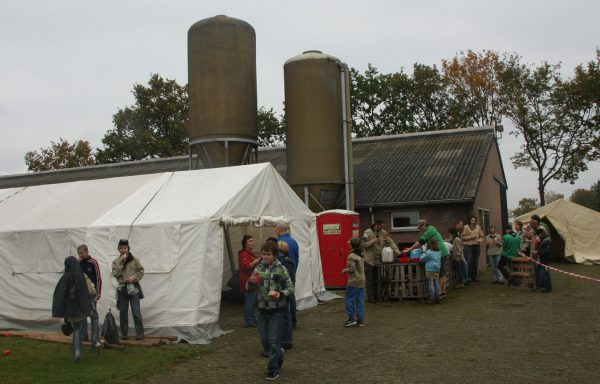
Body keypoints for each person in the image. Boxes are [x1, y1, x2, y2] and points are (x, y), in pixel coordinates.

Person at [250, 241, 294, 381]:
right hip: (262, 311)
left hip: (277, 311)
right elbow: (249, 285)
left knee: (274, 340)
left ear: (275, 255)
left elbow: (290, 288)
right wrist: (251, 282)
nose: (265, 256)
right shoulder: (258, 268)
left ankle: (272, 370)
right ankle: (279, 353)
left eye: (268, 254)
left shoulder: (281, 269)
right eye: (263, 254)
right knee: (265, 342)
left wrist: (281, 293)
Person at [52, 256, 93, 363]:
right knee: (78, 329)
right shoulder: (81, 277)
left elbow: (59, 295)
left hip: (69, 310)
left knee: (76, 329)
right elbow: (88, 292)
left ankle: (77, 353)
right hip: (79, 309)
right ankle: (77, 353)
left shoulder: (64, 278)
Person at [403, 220, 449, 297]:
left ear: (424, 225)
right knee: (442, 273)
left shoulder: (430, 231)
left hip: (440, 252)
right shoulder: (432, 229)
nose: (420, 229)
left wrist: (409, 249)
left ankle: (440, 293)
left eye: (420, 227)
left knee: (441, 274)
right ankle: (443, 292)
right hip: (442, 252)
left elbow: (420, 241)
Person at [111, 239, 145, 340]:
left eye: (125, 248)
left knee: (136, 311)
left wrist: (133, 278)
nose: (123, 250)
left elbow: (141, 271)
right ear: (118, 249)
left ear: (128, 248)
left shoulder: (135, 259)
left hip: (133, 288)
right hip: (122, 289)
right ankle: (124, 333)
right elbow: (115, 274)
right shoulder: (115, 262)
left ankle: (140, 333)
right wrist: (121, 263)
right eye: (121, 248)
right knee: (123, 311)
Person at [362, 219, 400, 302]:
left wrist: (396, 251)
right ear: (376, 224)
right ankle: (370, 298)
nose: (382, 228)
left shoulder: (383, 232)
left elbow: (390, 241)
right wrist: (373, 241)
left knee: (376, 279)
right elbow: (363, 244)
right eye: (381, 226)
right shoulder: (367, 232)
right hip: (368, 260)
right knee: (370, 280)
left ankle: (376, 296)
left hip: (378, 260)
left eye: (383, 226)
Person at [78, 244, 102, 349]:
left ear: (86, 251)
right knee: (83, 315)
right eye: (78, 253)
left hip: (92, 294)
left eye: (81, 253)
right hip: (82, 294)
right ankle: (84, 336)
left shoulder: (93, 262)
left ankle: (95, 339)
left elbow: (98, 278)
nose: (80, 255)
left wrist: (99, 292)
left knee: (93, 316)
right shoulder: (79, 264)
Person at [276, 222, 299, 331]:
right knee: (291, 296)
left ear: (278, 230)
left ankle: (285, 322)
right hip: (292, 270)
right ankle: (293, 322)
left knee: (282, 297)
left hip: (281, 273)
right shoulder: (294, 241)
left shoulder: (279, 243)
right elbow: (297, 258)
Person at [341, 238, 366, 327]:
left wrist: (345, 270)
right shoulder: (361, 253)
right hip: (362, 280)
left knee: (349, 299)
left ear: (351, 245)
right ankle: (360, 320)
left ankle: (351, 319)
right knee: (360, 301)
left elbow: (352, 269)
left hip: (354, 281)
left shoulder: (351, 256)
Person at [239, 235, 259, 327]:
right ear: (245, 243)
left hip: (252, 280)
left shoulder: (249, 253)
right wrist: (256, 261)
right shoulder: (244, 254)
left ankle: (252, 319)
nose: (252, 242)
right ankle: (249, 321)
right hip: (248, 281)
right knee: (249, 302)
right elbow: (246, 267)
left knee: (252, 301)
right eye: (250, 241)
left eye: (252, 241)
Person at [461, 216, 484, 282]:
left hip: (477, 246)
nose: (473, 221)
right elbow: (462, 237)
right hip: (469, 246)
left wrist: (480, 240)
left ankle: (474, 277)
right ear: (470, 221)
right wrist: (471, 237)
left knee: (475, 262)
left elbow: (482, 236)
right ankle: (468, 277)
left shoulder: (478, 227)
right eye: (472, 220)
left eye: (474, 220)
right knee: (469, 261)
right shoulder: (466, 227)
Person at [420, 238, 442, 304]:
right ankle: (438, 299)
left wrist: (423, 252)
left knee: (430, 284)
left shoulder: (429, 252)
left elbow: (422, 259)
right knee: (436, 283)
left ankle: (432, 299)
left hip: (430, 269)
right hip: (437, 269)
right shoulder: (439, 251)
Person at [535, 227, 553, 292]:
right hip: (543, 260)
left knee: (545, 274)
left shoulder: (547, 240)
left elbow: (547, 251)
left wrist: (537, 252)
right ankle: (542, 285)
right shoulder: (544, 239)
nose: (538, 236)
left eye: (538, 235)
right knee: (540, 271)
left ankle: (548, 288)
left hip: (545, 260)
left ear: (540, 234)